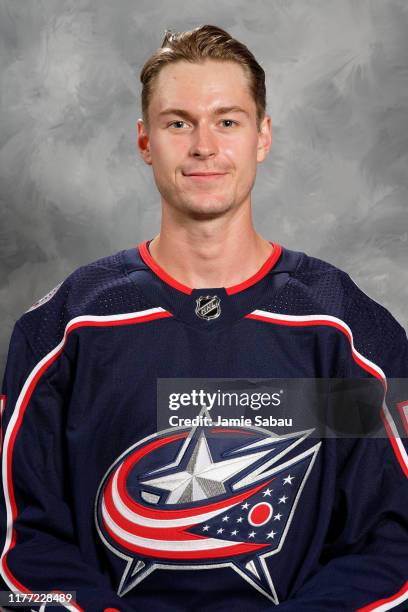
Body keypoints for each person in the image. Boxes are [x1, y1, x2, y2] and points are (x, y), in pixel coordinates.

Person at [0, 24, 407, 612]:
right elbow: (24, 548)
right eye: (177, 122)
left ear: (262, 136)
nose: (204, 146)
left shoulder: (343, 330)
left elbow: (390, 544)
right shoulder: (66, 328)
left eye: (228, 120)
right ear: (145, 141)